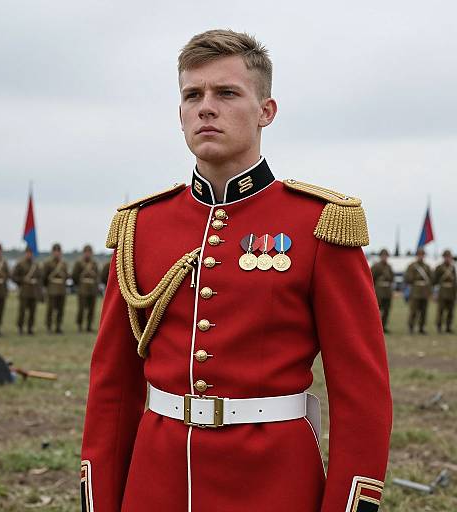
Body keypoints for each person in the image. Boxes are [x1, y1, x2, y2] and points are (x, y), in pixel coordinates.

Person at [81, 29, 392, 512]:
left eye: (226, 93)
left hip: (275, 483)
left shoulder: (319, 224)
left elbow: (362, 399)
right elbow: (112, 391)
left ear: (266, 111)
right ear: (180, 113)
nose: (207, 106)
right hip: (157, 481)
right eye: (192, 94)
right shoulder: (141, 226)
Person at [11, 246, 42, 335]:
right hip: (24, 291)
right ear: (25, 253)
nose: (29, 255)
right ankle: (20, 327)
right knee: (22, 311)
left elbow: (40, 277)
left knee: (32, 312)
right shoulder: (20, 264)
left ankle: (30, 328)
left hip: (33, 292)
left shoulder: (35, 265)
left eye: (31, 253)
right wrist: (22, 280)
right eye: (28, 253)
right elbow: (14, 277)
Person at [404, 247, 433, 335]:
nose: (421, 256)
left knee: (424, 311)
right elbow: (407, 278)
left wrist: (429, 292)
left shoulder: (427, 267)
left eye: (422, 255)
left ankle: (421, 327)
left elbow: (431, 279)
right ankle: (411, 327)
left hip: (424, 291)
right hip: (415, 291)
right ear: (416, 255)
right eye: (419, 255)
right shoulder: (412, 266)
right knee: (414, 310)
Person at [42, 243, 69, 334]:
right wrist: (47, 287)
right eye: (55, 251)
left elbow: (66, 276)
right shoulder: (48, 263)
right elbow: (44, 277)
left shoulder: (64, 264)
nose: (57, 253)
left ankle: (58, 326)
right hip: (51, 290)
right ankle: (49, 327)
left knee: (60, 310)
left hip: (61, 290)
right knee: (50, 310)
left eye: (58, 251)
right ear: (52, 252)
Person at [72, 245, 99, 332]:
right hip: (82, 289)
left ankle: (89, 326)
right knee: (81, 309)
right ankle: (79, 325)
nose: (88, 254)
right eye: (86, 252)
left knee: (91, 309)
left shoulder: (94, 263)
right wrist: (79, 285)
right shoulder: (79, 263)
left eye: (89, 252)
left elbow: (97, 276)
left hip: (92, 289)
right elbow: (75, 276)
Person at [371, 249, 395, 333]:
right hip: (379, 291)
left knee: (386, 310)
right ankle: (375, 327)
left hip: (387, 291)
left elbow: (392, 278)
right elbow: (371, 278)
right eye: (383, 256)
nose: (384, 257)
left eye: (386, 256)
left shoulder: (389, 267)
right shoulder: (376, 266)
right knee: (377, 311)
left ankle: (383, 327)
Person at [433, 249, 456, 333]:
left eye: (449, 257)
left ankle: (448, 327)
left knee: (450, 311)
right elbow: (435, 281)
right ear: (443, 257)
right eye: (446, 257)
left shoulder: (452, 267)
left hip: (451, 292)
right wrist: (435, 293)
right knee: (441, 311)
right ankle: (439, 327)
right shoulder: (439, 267)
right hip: (442, 291)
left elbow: (454, 281)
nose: (448, 259)